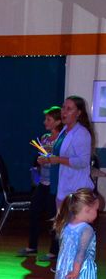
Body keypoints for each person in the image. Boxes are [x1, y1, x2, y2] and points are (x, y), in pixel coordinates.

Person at [37, 96, 95, 263]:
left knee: (74, 233)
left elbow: (82, 161)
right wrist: (48, 159)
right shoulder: (65, 131)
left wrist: (57, 160)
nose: (64, 112)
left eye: (69, 109)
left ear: (79, 113)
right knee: (64, 232)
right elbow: (60, 156)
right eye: (63, 108)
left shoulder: (81, 133)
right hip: (63, 187)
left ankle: (75, 268)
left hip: (76, 189)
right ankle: (66, 266)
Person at [18, 106, 64, 258]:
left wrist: (49, 160)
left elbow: (61, 161)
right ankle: (32, 247)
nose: (45, 122)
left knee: (53, 217)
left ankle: (54, 251)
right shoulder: (44, 138)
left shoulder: (62, 140)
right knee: (34, 213)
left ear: (57, 122)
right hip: (43, 183)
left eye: (48, 119)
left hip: (55, 184)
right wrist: (40, 161)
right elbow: (41, 159)